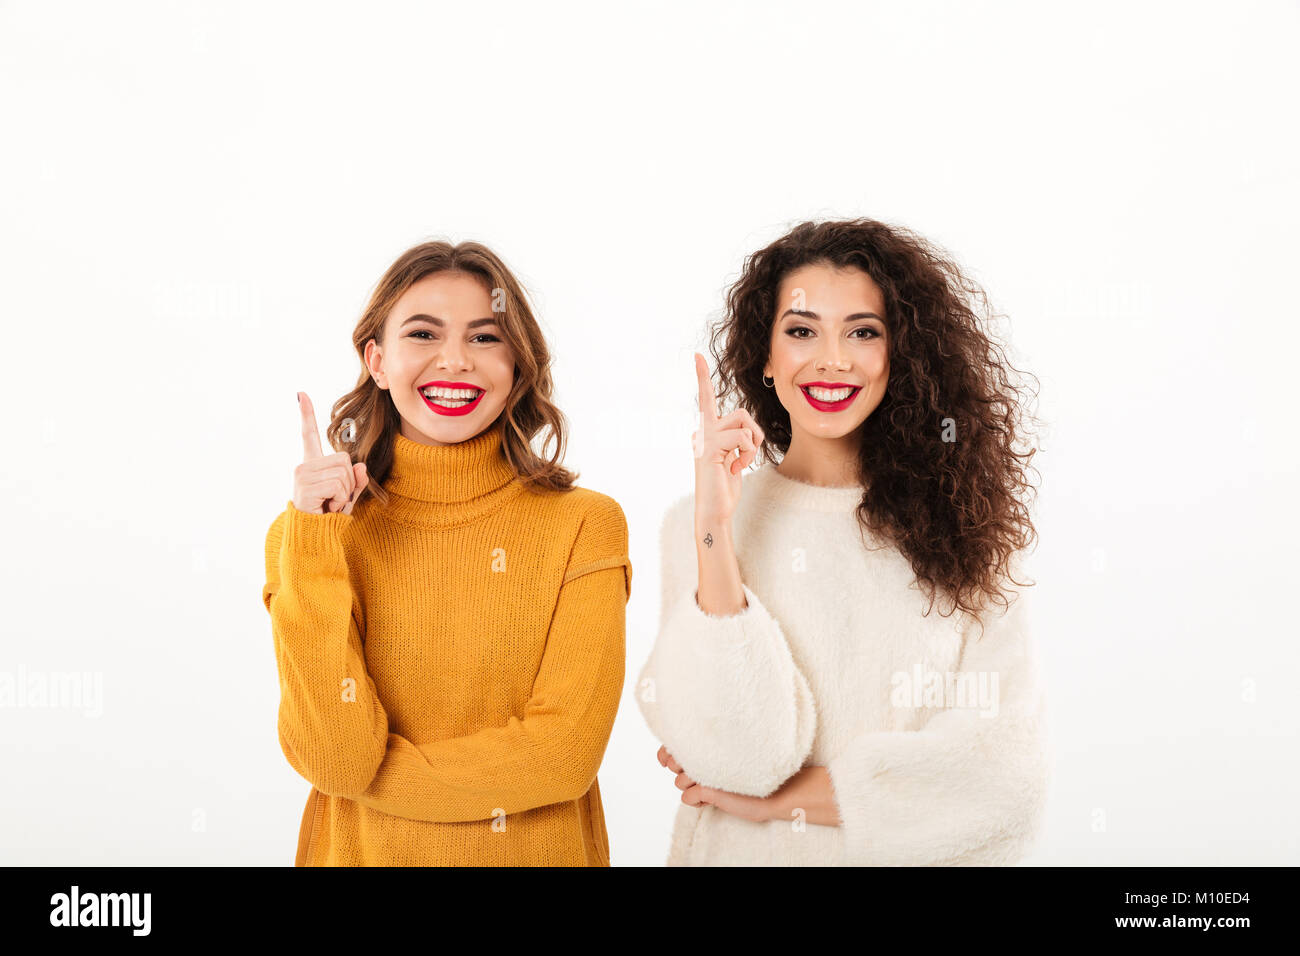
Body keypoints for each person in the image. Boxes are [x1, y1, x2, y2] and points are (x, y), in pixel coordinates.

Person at [636, 218, 1048, 865]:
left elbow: (1004, 779)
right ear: (766, 356)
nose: (832, 358)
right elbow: (734, 757)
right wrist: (715, 530)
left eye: (862, 332)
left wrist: (781, 803)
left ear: (899, 354)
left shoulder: (969, 530)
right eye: (802, 331)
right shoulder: (696, 528)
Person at [262, 240, 631, 866]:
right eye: (424, 334)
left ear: (517, 362)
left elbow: (564, 756)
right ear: (377, 360)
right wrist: (314, 540)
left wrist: (377, 780)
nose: (455, 361)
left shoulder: (584, 525)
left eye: (486, 338)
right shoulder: (309, 538)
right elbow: (335, 758)